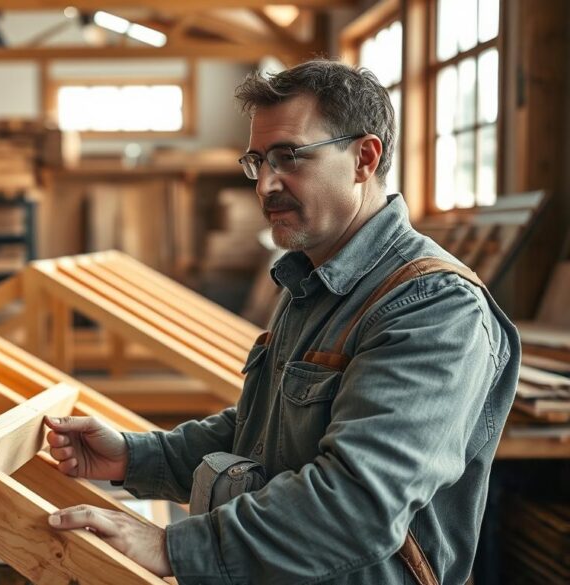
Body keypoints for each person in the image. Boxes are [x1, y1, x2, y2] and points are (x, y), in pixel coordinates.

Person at [44, 59, 520, 584]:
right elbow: (262, 431)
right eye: (257, 161)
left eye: (288, 157)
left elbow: (357, 506)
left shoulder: (433, 309)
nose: (265, 184)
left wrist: (173, 546)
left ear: (364, 158)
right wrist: (137, 458)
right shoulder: (315, 282)